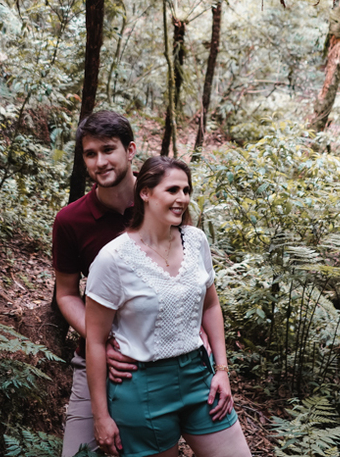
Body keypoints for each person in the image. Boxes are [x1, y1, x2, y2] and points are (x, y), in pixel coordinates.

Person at [84, 156, 252, 457]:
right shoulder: (113, 258)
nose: (182, 198)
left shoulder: (196, 240)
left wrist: (222, 370)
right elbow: (95, 341)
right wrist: (101, 416)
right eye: (172, 190)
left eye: (186, 190)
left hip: (199, 376)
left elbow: (211, 306)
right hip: (142, 388)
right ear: (145, 193)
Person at [52, 111, 142, 457]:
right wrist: (101, 342)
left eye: (108, 150)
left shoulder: (160, 201)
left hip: (157, 360)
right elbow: (66, 294)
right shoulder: (70, 220)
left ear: (130, 150)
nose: (100, 162)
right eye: (91, 154)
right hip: (95, 361)